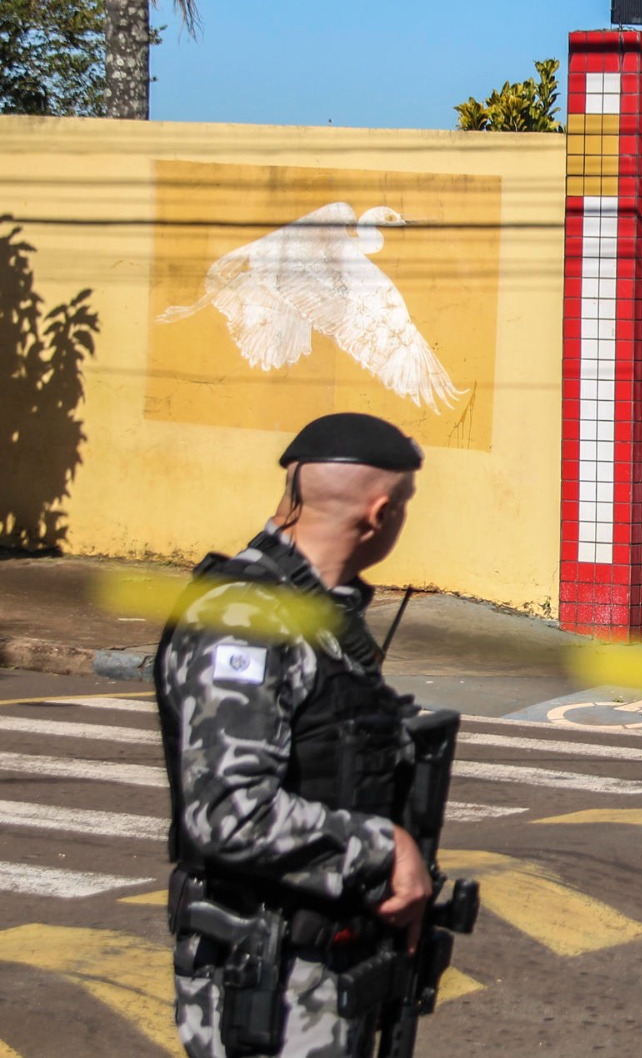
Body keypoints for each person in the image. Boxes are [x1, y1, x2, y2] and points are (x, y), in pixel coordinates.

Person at [157, 413, 438, 1058]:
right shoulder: (244, 618)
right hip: (267, 977)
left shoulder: (320, 615)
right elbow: (228, 812)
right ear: (380, 512)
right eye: (405, 507)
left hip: (320, 966)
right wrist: (383, 847)